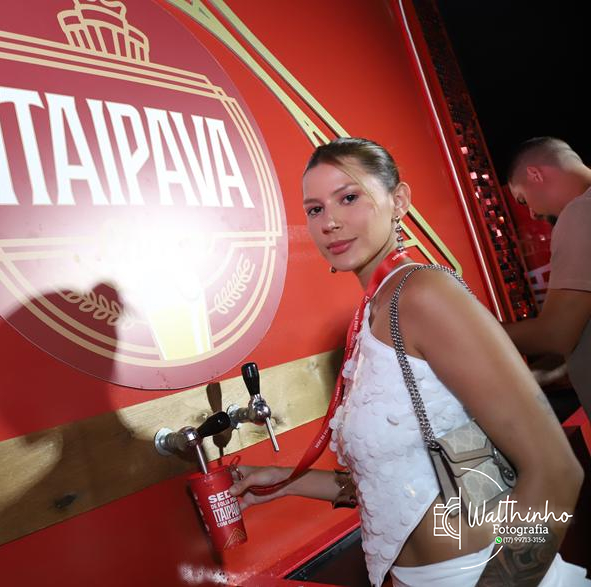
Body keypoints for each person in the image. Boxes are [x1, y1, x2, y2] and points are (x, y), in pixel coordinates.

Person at [229, 138, 587, 586]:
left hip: (478, 573)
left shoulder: (422, 295)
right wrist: (285, 481)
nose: (330, 222)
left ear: (398, 201)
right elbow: (394, 483)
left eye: (349, 197)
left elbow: (556, 470)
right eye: (315, 209)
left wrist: (503, 581)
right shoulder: (375, 310)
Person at [504, 137, 591, 415]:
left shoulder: (580, 211)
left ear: (535, 174)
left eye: (523, 199)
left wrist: (472, 329)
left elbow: (557, 333)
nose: (532, 213)